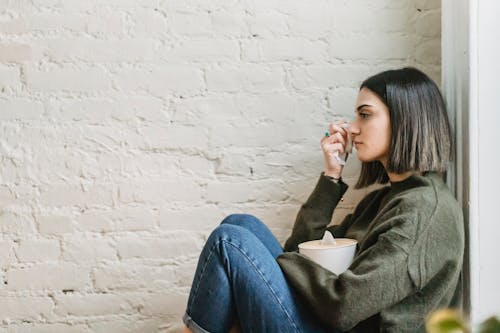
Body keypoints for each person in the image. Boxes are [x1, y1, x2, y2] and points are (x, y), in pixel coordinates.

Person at [182, 67, 465, 333]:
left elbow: (344, 305)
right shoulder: (384, 200)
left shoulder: (423, 211)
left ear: (405, 119)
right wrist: (332, 175)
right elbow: (302, 250)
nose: (353, 129)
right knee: (240, 224)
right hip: (326, 321)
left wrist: (282, 262)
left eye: (365, 115)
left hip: (338, 323)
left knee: (229, 241)